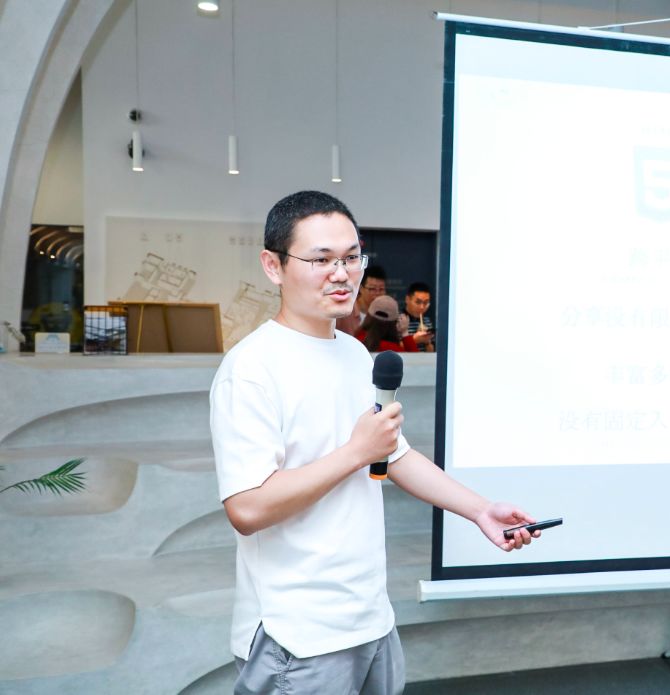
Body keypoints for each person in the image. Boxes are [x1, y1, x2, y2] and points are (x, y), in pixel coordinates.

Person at [210, 191, 539, 695]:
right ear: (274, 266)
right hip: (297, 634)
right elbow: (248, 508)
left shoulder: (354, 355)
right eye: (321, 260)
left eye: (351, 258)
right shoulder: (251, 369)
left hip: (370, 618)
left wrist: (480, 510)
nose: (341, 274)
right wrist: (355, 453)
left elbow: (395, 454)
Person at [334, 264, 387, 336]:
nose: (377, 293)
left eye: (381, 289)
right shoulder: (345, 311)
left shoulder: (385, 313)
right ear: (361, 289)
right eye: (372, 289)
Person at [400, 282, 434, 352]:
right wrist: (414, 340)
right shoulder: (398, 320)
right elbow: (394, 348)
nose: (422, 307)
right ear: (407, 299)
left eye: (425, 302)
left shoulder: (427, 321)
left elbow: (431, 352)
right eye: (418, 302)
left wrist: (427, 342)